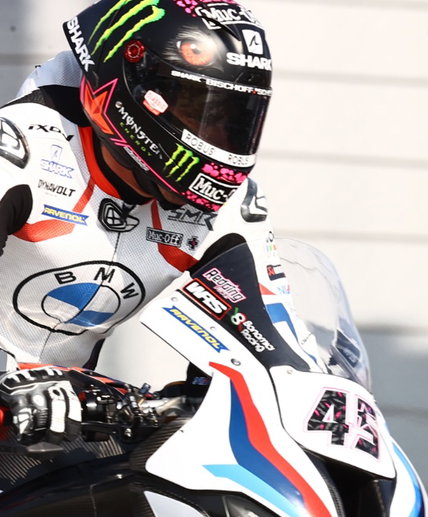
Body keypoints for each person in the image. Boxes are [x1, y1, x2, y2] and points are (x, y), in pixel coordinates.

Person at [0, 0, 276, 444]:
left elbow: (271, 341)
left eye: (233, 121)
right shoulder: (20, 148)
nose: (217, 137)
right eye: (198, 109)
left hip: (61, 435)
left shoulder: (227, 204)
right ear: (131, 85)